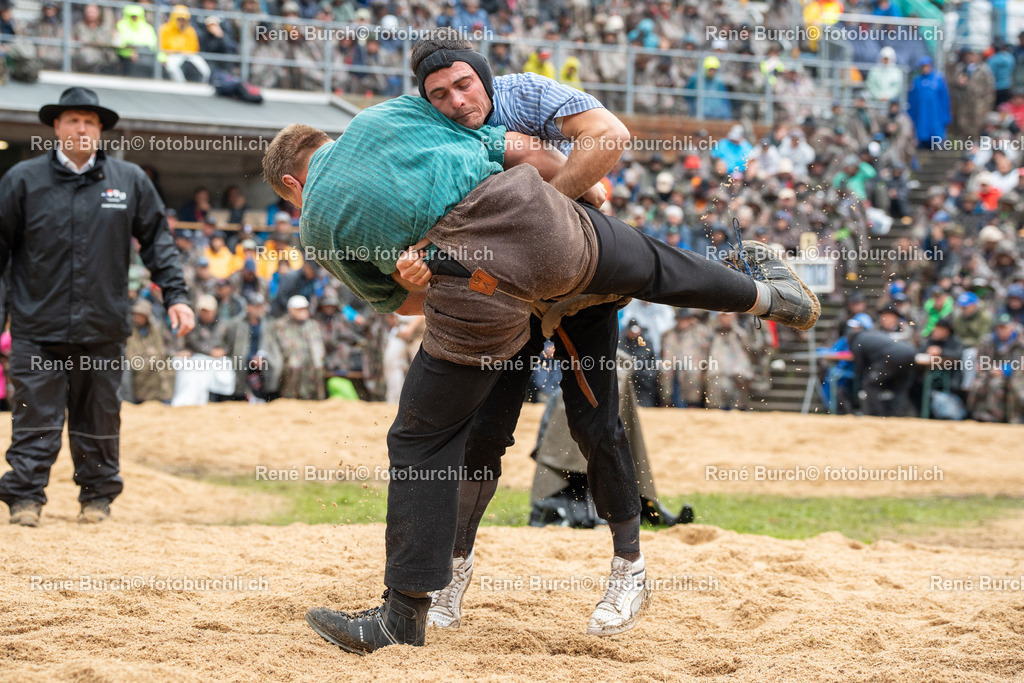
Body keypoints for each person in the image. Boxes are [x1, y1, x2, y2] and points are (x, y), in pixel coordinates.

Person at [263, 88, 819, 656]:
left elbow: (570, 150)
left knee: (591, 419)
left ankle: (625, 567)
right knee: (491, 427)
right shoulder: (412, 124)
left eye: (462, 88)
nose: (458, 100)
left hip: (534, 260)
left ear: (292, 185)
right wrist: (439, 268)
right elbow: (536, 159)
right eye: (444, 94)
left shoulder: (508, 98)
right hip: (510, 282)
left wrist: (558, 203)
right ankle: (766, 298)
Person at [0, 87, 194, 527]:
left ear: (100, 128)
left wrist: (177, 296)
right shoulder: (23, 180)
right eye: (72, 120)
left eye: (89, 120)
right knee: (34, 420)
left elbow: (159, 243)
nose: (81, 128)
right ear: (56, 126)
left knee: (100, 420)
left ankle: (97, 499)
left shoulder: (128, 181)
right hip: (37, 330)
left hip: (103, 329)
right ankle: (25, 499)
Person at [908, 56, 950, 148]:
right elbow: (912, 100)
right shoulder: (917, 81)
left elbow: (944, 99)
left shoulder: (938, 80)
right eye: (923, 66)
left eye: (927, 66)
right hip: (921, 113)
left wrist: (946, 116)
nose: (925, 68)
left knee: (935, 133)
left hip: (935, 113)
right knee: (922, 132)